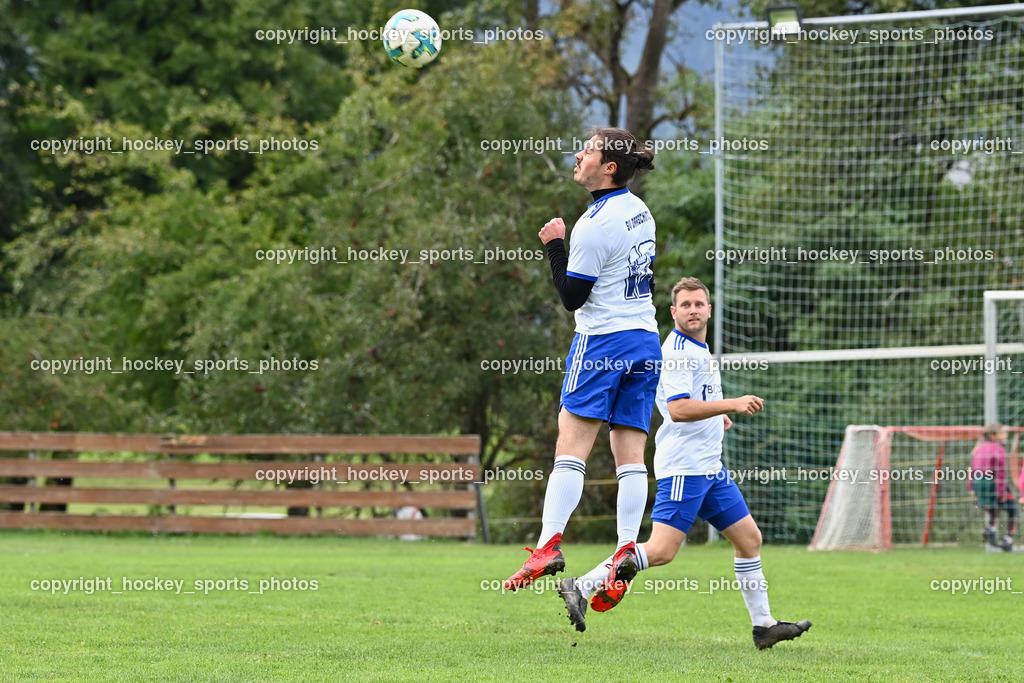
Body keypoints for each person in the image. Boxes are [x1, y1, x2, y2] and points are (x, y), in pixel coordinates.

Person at [557, 277, 811, 649]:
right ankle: (580, 585)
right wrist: (731, 404)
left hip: (710, 468)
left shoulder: (699, 349)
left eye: (699, 304)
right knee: (660, 551)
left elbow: (695, 400)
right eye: (686, 305)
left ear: (709, 310)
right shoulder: (676, 350)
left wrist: (716, 416)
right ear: (673, 312)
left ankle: (764, 626)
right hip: (685, 469)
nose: (693, 310)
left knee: (749, 539)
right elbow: (677, 409)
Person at [503, 127, 659, 594]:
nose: (578, 155)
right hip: (646, 341)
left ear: (609, 167)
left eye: (588, 150)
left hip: (603, 344)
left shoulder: (594, 224)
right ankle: (625, 549)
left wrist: (554, 243)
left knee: (571, 450)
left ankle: (548, 543)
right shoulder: (640, 210)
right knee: (631, 456)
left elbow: (572, 297)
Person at [967, 423, 1017, 551]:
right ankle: (1007, 539)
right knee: (1012, 508)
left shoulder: (979, 447)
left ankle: (990, 528)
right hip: (992, 483)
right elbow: (1000, 472)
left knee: (994, 507)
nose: (1005, 435)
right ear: (993, 435)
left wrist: (971, 486)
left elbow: (971, 468)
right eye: (1003, 433)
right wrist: (1001, 493)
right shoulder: (998, 448)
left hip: (979, 482)